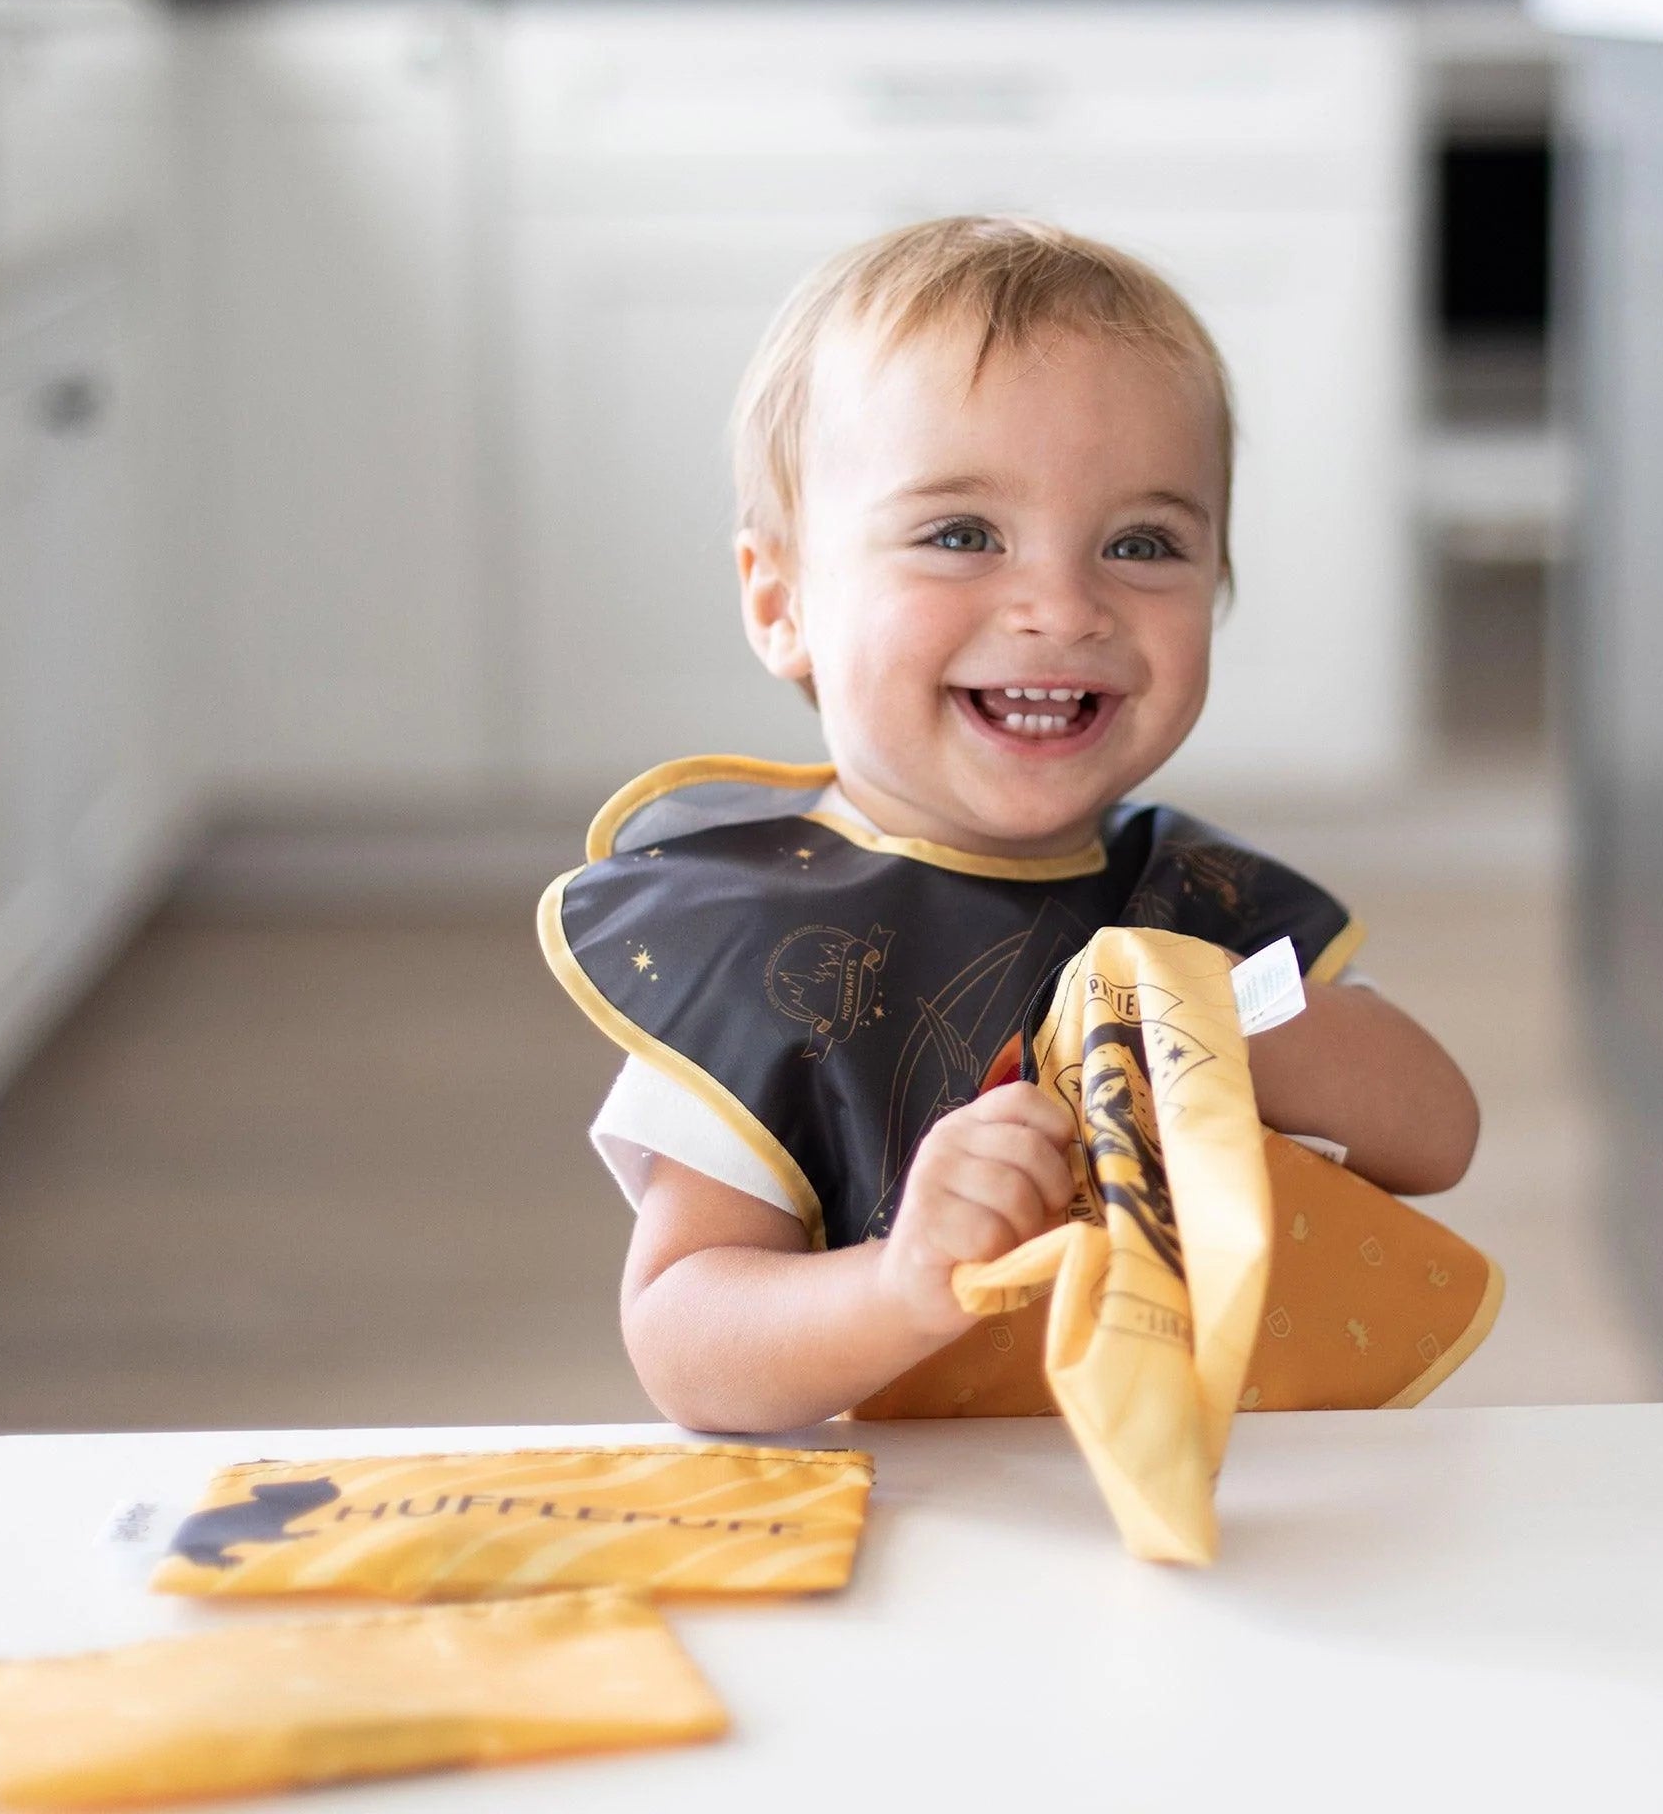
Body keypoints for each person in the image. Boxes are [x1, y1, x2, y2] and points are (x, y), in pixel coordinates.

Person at [540, 216, 1479, 1433]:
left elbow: (1436, 1133)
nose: (1059, 605)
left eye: (1140, 544)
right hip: (917, 1526)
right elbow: (684, 1341)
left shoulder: (1185, 897)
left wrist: (1224, 1024)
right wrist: (897, 1283)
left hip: (1217, 1478)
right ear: (782, 603)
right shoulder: (757, 941)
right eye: (960, 535)